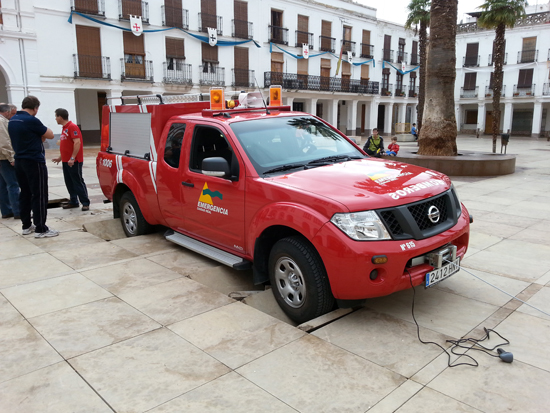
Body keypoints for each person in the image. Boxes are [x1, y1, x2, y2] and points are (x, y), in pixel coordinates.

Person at [8, 95, 58, 238]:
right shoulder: (31, 120)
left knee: (25, 193)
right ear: (35, 108)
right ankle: (41, 228)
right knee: (40, 194)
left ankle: (26, 225)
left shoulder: (13, 120)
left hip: (19, 161)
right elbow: (49, 134)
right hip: (34, 161)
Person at [52, 108, 90, 211]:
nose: (55, 119)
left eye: (56, 116)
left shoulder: (72, 127)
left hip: (74, 161)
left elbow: (77, 143)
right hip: (66, 161)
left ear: (60, 117)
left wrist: (72, 158)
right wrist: (60, 158)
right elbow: (66, 146)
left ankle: (85, 202)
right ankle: (73, 201)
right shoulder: (64, 128)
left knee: (77, 181)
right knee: (69, 181)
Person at [0, 103, 20, 219]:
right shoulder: (1, 121)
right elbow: (4, 142)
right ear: (7, 112)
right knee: (13, 184)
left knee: (2, 185)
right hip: (4, 158)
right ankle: (18, 211)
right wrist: (11, 157)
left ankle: (6, 210)